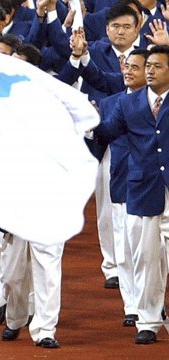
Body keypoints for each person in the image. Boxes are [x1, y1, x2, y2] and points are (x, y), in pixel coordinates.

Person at [91, 44, 169, 345]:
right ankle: (148, 320)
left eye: (157, 66)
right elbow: (108, 132)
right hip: (142, 189)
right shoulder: (128, 104)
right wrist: (90, 122)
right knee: (146, 257)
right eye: (147, 65)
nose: (149, 70)